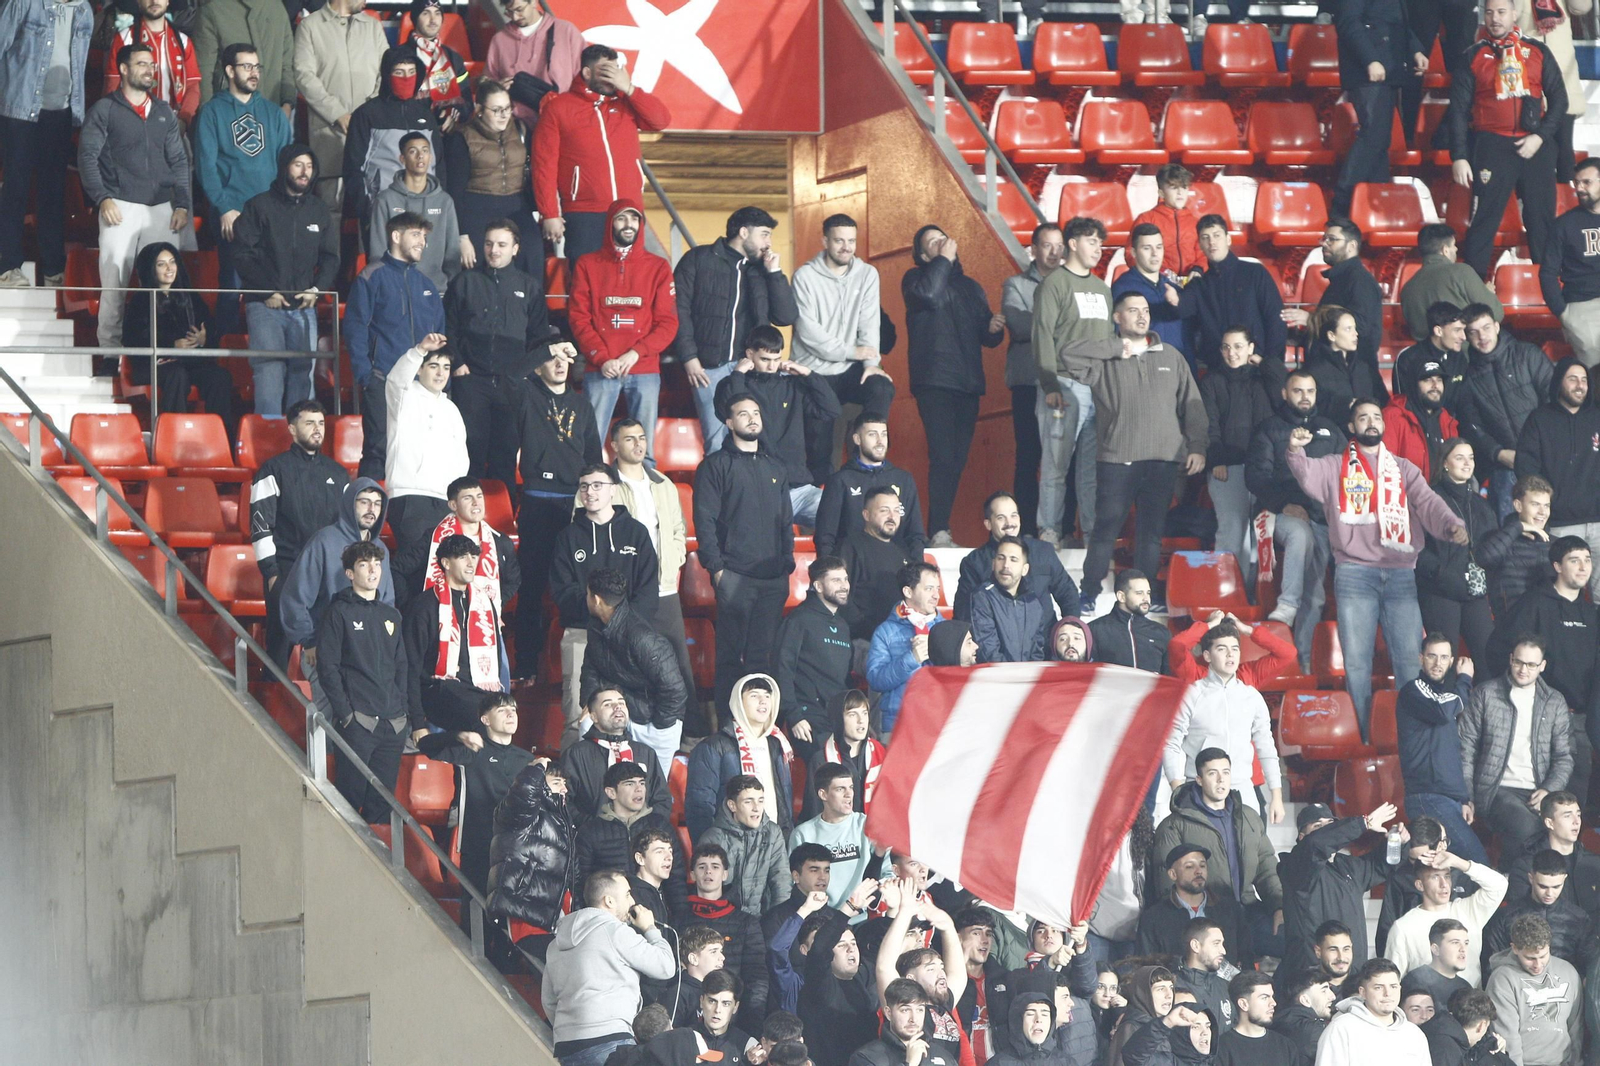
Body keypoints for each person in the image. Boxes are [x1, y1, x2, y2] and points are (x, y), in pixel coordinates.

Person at [1287, 398, 1468, 741]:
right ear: (1352, 428)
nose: (1371, 422)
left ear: (1383, 426)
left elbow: (1428, 502)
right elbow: (1307, 476)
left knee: (1408, 663)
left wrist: (1450, 524)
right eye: (1362, 418)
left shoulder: (1403, 468)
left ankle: (1410, 733)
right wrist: (1295, 451)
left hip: (1401, 574)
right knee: (1356, 662)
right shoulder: (1334, 465)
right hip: (1354, 572)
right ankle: (1365, 735)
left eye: (1376, 417)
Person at [1066, 290, 1208, 615]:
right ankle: (1088, 592)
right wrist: (1116, 347)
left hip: (1163, 459)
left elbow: (1193, 406)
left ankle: (1143, 597)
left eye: (1145, 310)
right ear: (1117, 317)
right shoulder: (1105, 359)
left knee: (1151, 533)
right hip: (1117, 457)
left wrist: (1197, 446)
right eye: (1133, 310)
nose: (1142, 315)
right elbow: (1067, 355)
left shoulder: (1171, 355)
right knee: (1107, 527)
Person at [80, 43, 191, 350]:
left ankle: (161, 351)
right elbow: (87, 157)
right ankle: (110, 352)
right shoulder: (105, 109)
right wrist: (102, 197)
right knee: (114, 285)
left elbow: (179, 161)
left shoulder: (164, 112)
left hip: (161, 208)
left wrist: (182, 203)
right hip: (120, 205)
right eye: (142, 64)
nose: (149, 70)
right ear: (124, 69)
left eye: (152, 65)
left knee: (164, 288)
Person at [1445, 0, 1566, 278]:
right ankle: (1473, 291)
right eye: (1489, 13)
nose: (1495, 18)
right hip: (1492, 146)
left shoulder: (1537, 51)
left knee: (1541, 222)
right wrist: (1459, 156)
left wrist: (1540, 136)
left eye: (1501, 12)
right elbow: (1459, 111)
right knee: (1484, 222)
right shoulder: (1473, 55)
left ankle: (1546, 289)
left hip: (1536, 146)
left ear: (1514, 14)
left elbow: (1559, 100)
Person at [904, 223, 1007, 548]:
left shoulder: (971, 286)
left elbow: (985, 334)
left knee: (956, 460)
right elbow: (930, 295)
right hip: (934, 380)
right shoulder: (915, 280)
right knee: (943, 457)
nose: (943, 243)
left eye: (944, 239)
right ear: (922, 255)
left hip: (967, 382)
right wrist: (942, 261)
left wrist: (992, 329)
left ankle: (939, 528)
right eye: (933, 243)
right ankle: (937, 530)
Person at [444, 217, 565, 483]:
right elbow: (448, 327)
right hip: (471, 380)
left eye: (501, 244)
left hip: (512, 384)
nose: (494, 250)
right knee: (469, 453)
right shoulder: (464, 282)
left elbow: (538, 337)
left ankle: (502, 520)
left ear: (515, 248)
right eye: (489, 244)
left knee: (505, 455)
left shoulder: (530, 287)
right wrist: (458, 364)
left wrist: (527, 375)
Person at [694, 394, 796, 704]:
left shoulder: (775, 466)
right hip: (735, 577)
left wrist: (787, 563)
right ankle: (728, 727)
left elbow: (785, 519)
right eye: (743, 413)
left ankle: (759, 728)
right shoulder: (714, 466)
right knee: (729, 658)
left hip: (773, 579)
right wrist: (718, 569)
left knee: (761, 659)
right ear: (728, 422)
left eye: (756, 412)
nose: (752, 418)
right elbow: (705, 519)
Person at [674, 207, 799, 453]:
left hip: (753, 369)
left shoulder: (762, 270)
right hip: (709, 368)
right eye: (764, 234)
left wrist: (774, 274)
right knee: (718, 442)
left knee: (759, 441)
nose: (769, 243)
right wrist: (689, 357)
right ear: (743, 232)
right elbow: (678, 310)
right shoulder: (698, 259)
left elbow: (785, 317)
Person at [533, 44, 670, 265]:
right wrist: (550, 213)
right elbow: (544, 166)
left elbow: (661, 120)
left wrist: (630, 88)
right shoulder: (558, 108)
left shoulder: (627, 103)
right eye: (605, 72)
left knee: (629, 281)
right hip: (585, 212)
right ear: (587, 73)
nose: (611, 78)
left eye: (614, 70)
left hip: (629, 210)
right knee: (585, 282)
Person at [231, 143, 340, 417]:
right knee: (269, 372)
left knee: (303, 375)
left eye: (310, 166)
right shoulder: (258, 206)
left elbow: (331, 257)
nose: (305, 172)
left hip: (304, 308)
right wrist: (266, 290)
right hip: (265, 305)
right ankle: (267, 444)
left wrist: (316, 290)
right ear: (284, 168)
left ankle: (299, 448)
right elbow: (241, 254)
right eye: (298, 165)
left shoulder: (319, 210)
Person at [514, 346, 602, 678]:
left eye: (566, 359)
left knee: (578, 583)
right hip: (537, 500)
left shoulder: (582, 405)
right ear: (538, 366)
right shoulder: (527, 394)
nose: (560, 364)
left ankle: (583, 667)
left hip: (574, 502)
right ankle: (526, 664)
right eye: (552, 359)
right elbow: (512, 371)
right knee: (533, 584)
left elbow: (593, 455)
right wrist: (543, 350)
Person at [193, 44, 292, 337]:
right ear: (229, 70)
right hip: (234, 213)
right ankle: (223, 356)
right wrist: (224, 207)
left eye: (257, 67)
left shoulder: (273, 114)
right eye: (246, 66)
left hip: (270, 215)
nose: (254, 73)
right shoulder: (212, 112)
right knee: (232, 287)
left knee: (274, 289)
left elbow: (286, 164)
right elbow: (205, 167)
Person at [551, 468, 660, 731]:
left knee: (627, 718)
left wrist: (620, 623)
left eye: (598, 485)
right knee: (578, 717)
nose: (590, 492)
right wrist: (600, 613)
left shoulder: (637, 533)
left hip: (627, 638)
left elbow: (647, 590)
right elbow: (562, 590)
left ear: (613, 488)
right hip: (581, 632)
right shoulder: (568, 536)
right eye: (584, 486)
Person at [1247, 369, 1342, 665]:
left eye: (1310, 391)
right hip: (1277, 513)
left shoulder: (1330, 430)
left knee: (1315, 597)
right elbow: (1255, 478)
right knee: (1300, 534)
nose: (1305, 397)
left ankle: (1299, 661)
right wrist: (1284, 504)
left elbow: (1345, 475)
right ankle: (1286, 604)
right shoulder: (1269, 429)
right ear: (1285, 394)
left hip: (1321, 518)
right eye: (1298, 391)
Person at [568, 200, 677, 457]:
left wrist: (636, 353)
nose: (628, 225)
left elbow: (668, 323)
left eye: (634, 219)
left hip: (644, 369)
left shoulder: (659, 267)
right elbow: (578, 318)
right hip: (600, 369)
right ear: (610, 224)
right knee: (588, 448)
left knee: (644, 453)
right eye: (621, 219)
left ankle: (642, 496)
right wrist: (602, 358)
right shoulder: (587, 264)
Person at [315, 540, 413, 822]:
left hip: (393, 725)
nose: (373, 569)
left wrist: (403, 713)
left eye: (377, 563)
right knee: (349, 801)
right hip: (359, 723)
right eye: (364, 564)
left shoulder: (391, 614)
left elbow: (401, 667)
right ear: (349, 573)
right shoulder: (339, 612)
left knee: (381, 809)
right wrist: (346, 715)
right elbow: (328, 667)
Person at [346, 211, 448, 481]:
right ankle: (369, 516)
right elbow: (356, 328)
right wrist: (366, 377)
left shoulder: (426, 285)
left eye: (424, 237)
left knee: (419, 453)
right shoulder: (371, 277)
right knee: (378, 450)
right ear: (395, 236)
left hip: (422, 386)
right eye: (416, 235)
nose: (422, 243)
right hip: (383, 380)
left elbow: (440, 337)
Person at [1151, 749, 1283, 954]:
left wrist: (1278, 906)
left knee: (1293, 942)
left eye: (1226, 772)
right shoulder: (1174, 825)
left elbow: (1267, 867)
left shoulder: (1248, 817)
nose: (1221, 780)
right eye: (1213, 773)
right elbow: (1166, 881)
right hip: (1205, 917)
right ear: (1199, 779)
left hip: (1247, 909)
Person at [0, 0, 92, 290]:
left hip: (61, 113)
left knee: (53, 193)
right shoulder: (24, 3)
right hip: (20, 109)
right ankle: (9, 266)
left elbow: (79, 61)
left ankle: (54, 270)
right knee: (16, 187)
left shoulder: (84, 10)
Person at [282, 479, 395, 713]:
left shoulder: (380, 550)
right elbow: (295, 597)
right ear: (349, 504)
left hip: (367, 652)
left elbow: (386, 603)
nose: (371, 510)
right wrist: (309, 640)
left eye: (377, 504)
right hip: (325, 649)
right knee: (331, 717)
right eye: (364, 502)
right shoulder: (324, 541)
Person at [543, 870, 676, 1066]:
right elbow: (665, 966)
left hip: (566, 1046)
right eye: (628, 894)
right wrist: (650, 928)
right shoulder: (615, 931)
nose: (633, 902)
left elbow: (548, 1001)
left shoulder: (555, 944)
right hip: (610, 1040)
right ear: (609, 901)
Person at [249, 401, 348, 664]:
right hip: (287, 569)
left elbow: (347, 527)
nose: (317, 429)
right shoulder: (273, 470)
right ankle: (270, 698)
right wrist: (271, 572)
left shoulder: (339, 474)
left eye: (321, 423)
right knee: (279, 646)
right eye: (309, 423)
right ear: (292, 429)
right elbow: (260, 525)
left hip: (329, 571)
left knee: (329, 644)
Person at [1032, 217, 1110, 548]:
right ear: (1073, 244)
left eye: (1101, 244)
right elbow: (1042, 336)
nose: (1098, 249)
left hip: (1097, 390)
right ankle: (1049, 531)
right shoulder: (1054, 284)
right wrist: (1050, 385)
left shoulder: (1103, 289)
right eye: (1092, 242)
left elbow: (1108, 343)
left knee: (1091, 472)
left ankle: (1091, 535)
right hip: (1063, 385)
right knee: (1055, 466)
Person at [1458, 633, 1574, 855]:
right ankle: (1512, 881)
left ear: (1542, 666)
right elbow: (1466, 749)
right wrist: (1467, 797)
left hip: (1538, 789)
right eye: (1519, 662)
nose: (1523, 669)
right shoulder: (1486, 693)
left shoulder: (1554, 701)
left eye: (1531, 664)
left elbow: (1564, 756)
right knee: (1528, 827)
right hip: (1495, 789)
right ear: (1511, 659)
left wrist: (1549, 790)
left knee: (1564, 830)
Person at [714, 327, 840, 528]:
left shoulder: (793, 386)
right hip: (759, 490)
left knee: (844, 517)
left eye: (776, 359)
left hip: (800, 488)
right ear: (749, 354)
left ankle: (829, 561)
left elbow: (831, 409)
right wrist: (738, 374)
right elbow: (730, 413)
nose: (772, 366)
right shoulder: (732, 384)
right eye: (765, 359)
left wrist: (808, 374)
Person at [609, 418, 695, 709]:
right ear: (614, 446)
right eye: (630, 438)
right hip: (626, 592)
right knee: (630, 663)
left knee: (677, 663)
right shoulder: (604, 485)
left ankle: (689, 732)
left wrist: (674, 560)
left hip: (664, 585)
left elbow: (678, 530)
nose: (638, 444)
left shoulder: (663, 483)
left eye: (642, 438)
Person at [1161, 619, 1286, 820]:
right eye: (1222, 649)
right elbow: (1171, 744)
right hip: (1198, 788)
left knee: (1249, 850)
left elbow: (1266, 747)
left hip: (1243, 788)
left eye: (1235, 649)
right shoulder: (1193, 693)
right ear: (1207, 655)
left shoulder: (1252, 696)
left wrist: (1276, 795)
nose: (1230, 654)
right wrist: (1178, 790)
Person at [415, 691, 533, 895]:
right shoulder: (472, 750)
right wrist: (459, 735)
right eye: (502, 710)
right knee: (475, 909)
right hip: (479, 845)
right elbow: (425, 745)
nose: (510, 714)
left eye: (513, 710)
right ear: (485, 719)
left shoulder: (527, 759)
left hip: (517, 847)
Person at [578, 568, 687, 770]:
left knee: (651, 791)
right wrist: (591, 703)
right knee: (586, 724)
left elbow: (675, 690)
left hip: (654, 723)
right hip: (622, 712)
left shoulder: (642, 637)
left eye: (587, 594)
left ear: (596, 600)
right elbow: (590, 670)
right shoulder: (596, 627)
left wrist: (658, 724)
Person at [1201, 327, 1281, 593]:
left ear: (1251, 348)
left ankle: (1252, 596)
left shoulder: (1263, 378)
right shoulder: (1212, 381)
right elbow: (1208, 424)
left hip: (1262, 468)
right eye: (1225, 347)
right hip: (1228, 466)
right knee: (1232, 531)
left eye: (1237, 346)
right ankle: (1225, 593)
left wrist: (1264, 363)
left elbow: (1286, 390)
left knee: (1259, 536)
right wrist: (1216, 459)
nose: (1231, 353)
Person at [403, 532, 509, 732]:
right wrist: (417, 722)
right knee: (484, 716)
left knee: (507, 713)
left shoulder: (484, 604)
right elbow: (411, 666)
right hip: (439, 688)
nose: (471, 563)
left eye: (474, 556)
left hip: (477, 688)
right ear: (446, 563)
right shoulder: (424, 605)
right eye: (462, 557)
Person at [1396, 634, 1488, 863]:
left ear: (1450, 661)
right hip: (1427, 796)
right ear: (1421, 659)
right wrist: (1465, 679)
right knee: (1478, 865)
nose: (1438, 663)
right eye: (1432, 656)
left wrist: (1463, 799)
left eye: (1444, 657)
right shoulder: (1413, 690)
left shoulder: (1445, 696)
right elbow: (1442, 711)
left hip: (1448, 798)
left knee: (1453, 871)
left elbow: (1450, 753)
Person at [1330, 0, 1427, 217]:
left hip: (1388, 70)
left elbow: (1396, 23)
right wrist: (1370, 59)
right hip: (1369, 73)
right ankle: (1341, 207)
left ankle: (1372, 209)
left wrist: (1415, 49)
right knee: (1374, 135)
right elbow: (1348, 23)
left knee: (1381, 140)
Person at [120, 242, 232, 426]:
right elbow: (133, 338)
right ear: (151, 268)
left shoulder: (189, 295)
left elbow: (210, 328)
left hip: (189, 361)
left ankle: (222, 439)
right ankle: (173, 434)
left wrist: (204, 338)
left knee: (219, 377)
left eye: (172, 262)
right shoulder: (140, 299)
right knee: (177, 375)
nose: (169, 268)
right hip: (153, 364)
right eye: (161, 264)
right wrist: (171, 345)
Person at [1278, 804, 1395, 979]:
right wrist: (1364, 823)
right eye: (1318, 826)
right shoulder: (1295, 866)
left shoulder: (1347, 865)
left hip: (1352, 977)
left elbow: (1379, 866)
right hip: (1313, 980)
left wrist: (1398, 841)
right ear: (1301, 837)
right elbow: (1316, 844)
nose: (1327, 830)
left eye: (1331, 824)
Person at [383, 335, 468, 576]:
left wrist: (456, 500)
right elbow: (395, 378)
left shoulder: (451, 409)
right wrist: (420, 350)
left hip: (444, 501)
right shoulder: (403, 396)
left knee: (440, 572)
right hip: (410, 496)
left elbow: (461, 459)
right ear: (420, 369)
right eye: (433, 366)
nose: (441, 373)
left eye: (446, 367)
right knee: (413, 570)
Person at [292, 0, 385, 216]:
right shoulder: (310, 26)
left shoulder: (373, 26)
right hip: (330, 133)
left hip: (369, 132)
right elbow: (304, 76)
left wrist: (366, 114)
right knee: (330, 209)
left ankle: (371, 253)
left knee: (373, 208)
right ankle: (329, 252)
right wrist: (338, 114)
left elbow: (386, 71)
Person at [1516, 361, 1600, 594]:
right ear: (1558, 382)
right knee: (1563, 595)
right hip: (1560, 526)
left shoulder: (1597, 417)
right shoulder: (1539, 419)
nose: (1579, 385)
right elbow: (1526, 468)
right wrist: (1547, 506)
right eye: (1572, 379)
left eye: (1584, 380)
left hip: (1599, 522)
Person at [342, 46, 446, 229]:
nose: (406, 78)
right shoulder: (367, 114)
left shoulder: (425, 116)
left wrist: (437, 206)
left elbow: (439, 166)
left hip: (424, 211)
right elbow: (353, 169)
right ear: (387, 75)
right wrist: (368, 210)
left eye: (412, 72)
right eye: (399, 72)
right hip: (382, 211)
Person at [444, 81, 540, 280]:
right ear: (479, 109)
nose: (504, 115)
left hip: (516, 204)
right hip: (477, 206)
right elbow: (454, 191)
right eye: (496, 110)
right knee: (478, 265)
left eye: (507, 108)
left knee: (533, 256)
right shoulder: (462, 137)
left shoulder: (521, 130)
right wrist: (461, 236)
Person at [1460, 307, 1550, 517]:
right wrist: (1499, 454)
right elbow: (1472, 426)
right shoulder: (1467, 376)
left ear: (1497, 327)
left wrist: (1545, 446)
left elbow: (1552, 399)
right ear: (1467, 336)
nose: (1482, 337)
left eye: (1486, 328)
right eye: (1474, 332)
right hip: (1505, 463)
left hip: (1543, 456)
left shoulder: (1527, 354)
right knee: (1508, 529)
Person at [686, 675, 795, 842]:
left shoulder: (778, 744)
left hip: (774, 846)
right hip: (731, 848)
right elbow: (700, 808)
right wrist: (712, 853)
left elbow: (784, 805)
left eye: (767, 696)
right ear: (738, 702)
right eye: (754, 695)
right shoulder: (713, 747)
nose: (763, 701)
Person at [1384, 847, 1509, 985]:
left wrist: (1458, 862)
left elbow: (1499, 885)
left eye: (1447, 876)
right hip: (1427, 1004)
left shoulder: (1467, 910)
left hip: (1470, 1002)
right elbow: (1392, 979)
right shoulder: (1403, 927)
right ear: (1420, 885)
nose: (1444, 885)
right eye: (1435, 877)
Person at [1416, 441, 1495, 660]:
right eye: (1460, 457)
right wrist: (1443, 575)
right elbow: (1415, 548)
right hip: (1440, 591)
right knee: (1444, 663)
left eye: (1471, 457)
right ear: (1445, 464)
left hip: (1474, 592)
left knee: (1488, 657)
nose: (1467, 463)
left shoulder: (1482, 505)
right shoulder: (1427, 500)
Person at [402, 475, 519, 620]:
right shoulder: (433, 538)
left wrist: (495, 605)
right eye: (468, 498)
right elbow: (399, 569)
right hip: (440, 619)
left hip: (486, 622)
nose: (476, 503)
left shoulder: (500, 541)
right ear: (453, 505)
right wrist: (414, 607)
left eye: (479, 496)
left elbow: (513, 580)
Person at [1177, 217, 1286, 370]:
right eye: (1205, 238)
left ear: (1228, 239)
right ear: (1200, 245)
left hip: (1256, 368)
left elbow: (1276, 318)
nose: (1211, 242)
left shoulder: (1255, 273)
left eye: (1217, 235)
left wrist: (1268, 363)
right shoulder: (1199, 286)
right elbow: (1180, 312)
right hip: (1219, 372)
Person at [952, 492, 1080, 622]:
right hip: (996, 640)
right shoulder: (974, 563)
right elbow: (964, 611)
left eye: (1014, 515)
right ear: (988, 524)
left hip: (1044, 639)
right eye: (1001, 517)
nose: (1009, 523)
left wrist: (1070, 627)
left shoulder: (1043, 552)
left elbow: (1067, 593)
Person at [815, 412, 926, 559]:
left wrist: (914, 574)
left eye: (884, 434)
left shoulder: (904, 479)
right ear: (857, 439)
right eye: (872, 435)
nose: (880, 441)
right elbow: (825, 536)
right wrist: (832, 574)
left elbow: (915, 535)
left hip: (896, 572)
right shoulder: (840, 480)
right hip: (853, 573)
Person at [1285, 223, 1387, 382]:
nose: (1323, 243)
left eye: (1332, 239)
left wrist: (1311, 319)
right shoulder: (1344, 278)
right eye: (1324, 238)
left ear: (1351, 246)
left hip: (1352, 378)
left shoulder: (1359, 281)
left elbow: (1360, 326)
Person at [774, 557, 854, 758]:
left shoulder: (843, 625)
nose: (844, 586)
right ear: (818, 586)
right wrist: (794, 716)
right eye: (836, 581)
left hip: (838, 717)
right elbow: (781, 668)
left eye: (845, 579)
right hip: (808, 720)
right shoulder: (798, 620)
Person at [557, 686, 671, 822]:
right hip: (593, 838)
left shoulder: (646, 753)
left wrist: (647, 827)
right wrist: (591, 828)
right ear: (593, 717)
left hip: (641, 838)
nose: (617, 707)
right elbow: (563, 801)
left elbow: (662, 800)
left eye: (621, 703)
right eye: (608, 704)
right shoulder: (576, 754)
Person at [572, 760, 676, 905]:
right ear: (611, 792)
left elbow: (676, 880)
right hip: (610, 914)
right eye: (630, 784)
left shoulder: (660, 825)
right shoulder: (590, 831)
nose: (639, 789)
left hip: (653, 912)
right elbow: (581, 883)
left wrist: (679, 917)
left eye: (642, 783)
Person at [366, 132, 461, 290]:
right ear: (402, 159)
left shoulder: (444, 201)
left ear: (431, 157)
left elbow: (452, 253)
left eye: (425, 151)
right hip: (397, 288)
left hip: (437, 290)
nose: (420, 156)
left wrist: (449, 286)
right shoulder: (385, 200)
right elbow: (378, 252)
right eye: (413, 151)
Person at [1486, 915, 1582, 1066]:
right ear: (1515, 948)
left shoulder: (1568, 972)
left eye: (1543, 956)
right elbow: (1508, 1038)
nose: (1538, 965)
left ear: (1549, 946)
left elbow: (1576, 1028)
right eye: (1530, 958)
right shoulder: (1502, 979)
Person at [865, 562, 946, 739]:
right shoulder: (885, 632)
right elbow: (876, 679)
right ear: (908, 592)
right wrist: (912, 658)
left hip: (940, 723)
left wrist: (937, 646)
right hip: (898, 725)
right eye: (929, 588)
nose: (936, 595)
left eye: (938, 588)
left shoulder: (948, 630)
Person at [1483, 849, 1597, 969]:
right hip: (1517, 985)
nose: (1549, 893)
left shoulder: (1579, 919)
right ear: (1531, 878)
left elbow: (1590, 966)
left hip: (1566, 984)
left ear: (1564, 879)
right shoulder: (1505, 917)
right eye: (1543, 886)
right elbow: (1492, 963)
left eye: (1556, 887)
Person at [482, 0, 583, 131]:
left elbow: (583, 79)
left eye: (519, 9)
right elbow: (487, 83)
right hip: (517, 127)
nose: (515, 17)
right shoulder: (499, 40)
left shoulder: (566, 31)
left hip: (562, 122)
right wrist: (498, 88)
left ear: (534, 2)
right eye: (509, 12)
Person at [799, 905, 880, 1066]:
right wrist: (848, 908)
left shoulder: (861, 977)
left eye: (853, 943)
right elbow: (819, 951)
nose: (851, 949)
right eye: (841, 945)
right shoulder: (819, 985)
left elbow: (882, 953)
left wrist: (895, 912)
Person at [1138, 845, 1247, 961]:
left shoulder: (1230, 910)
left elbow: (1246, 955)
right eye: (1189, 867)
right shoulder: (1154, 918)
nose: (1198, 871)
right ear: (1173, 874)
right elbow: (1146, 964)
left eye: (1202, 865)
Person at [1314, 959, 1429, 1066]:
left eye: (1393, 987)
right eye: (1378, 987)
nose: (1387, 993)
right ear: (1362, 992)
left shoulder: (1414, 1034)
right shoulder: (1341, 1029)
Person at [1401, 226, 1503, 344]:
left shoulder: (1407, 289)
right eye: (1454, 246)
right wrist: (1488, 293)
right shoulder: (1461, 272)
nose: (1456, 250)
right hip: (1466, 356)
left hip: (1426, 358)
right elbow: (1495, 314)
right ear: (1445, 250)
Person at [1541, 159, 1600, 365]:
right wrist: (1564, 314)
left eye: (1587, 182)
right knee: (1594, 371)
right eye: (1577, 183)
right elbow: (1547, 273)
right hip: (1581, 307)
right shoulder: (1564, 224)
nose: (1580, 188)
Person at [790, 764, 871, 911]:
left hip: (863, 917)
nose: (849, 794)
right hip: (820, 919)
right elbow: (794, 882)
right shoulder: (803, 833)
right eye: (840, 789)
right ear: (823, 794)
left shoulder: (868, 825)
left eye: (851, 787)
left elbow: (887, 871)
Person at [1505, 793, 1600, 916]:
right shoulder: (1526, 865)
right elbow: (1519, 915)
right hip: (1546, 933)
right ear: (1550, 823)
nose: (1576, 821)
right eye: (1567, 816)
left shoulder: (1594, 863)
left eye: (1578, 815)